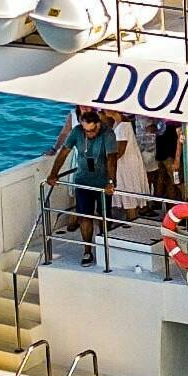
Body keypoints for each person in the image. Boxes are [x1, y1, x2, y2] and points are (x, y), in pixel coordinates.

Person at [47, 106, 116, 266]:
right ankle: (87, 251)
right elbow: (64, 152)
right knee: (84, 216)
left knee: (105, 215)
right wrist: (53, 173)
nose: (88, 134)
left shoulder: (108, 134)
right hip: (83, 180)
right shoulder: (77, 132)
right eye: (86, 131)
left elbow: (112, 159)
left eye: (91, 131)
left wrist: (111, 182)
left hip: (102, 182)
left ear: (98, 125)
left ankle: (105, 245)